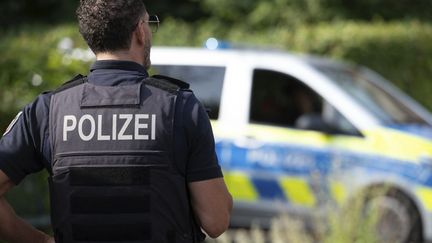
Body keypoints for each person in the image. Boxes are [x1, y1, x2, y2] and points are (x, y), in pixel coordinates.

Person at [0, 0, 233, 242]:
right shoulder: (180, 107)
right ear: (140, 31)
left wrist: (39, 241)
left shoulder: (48, 110)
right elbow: (215, 221)